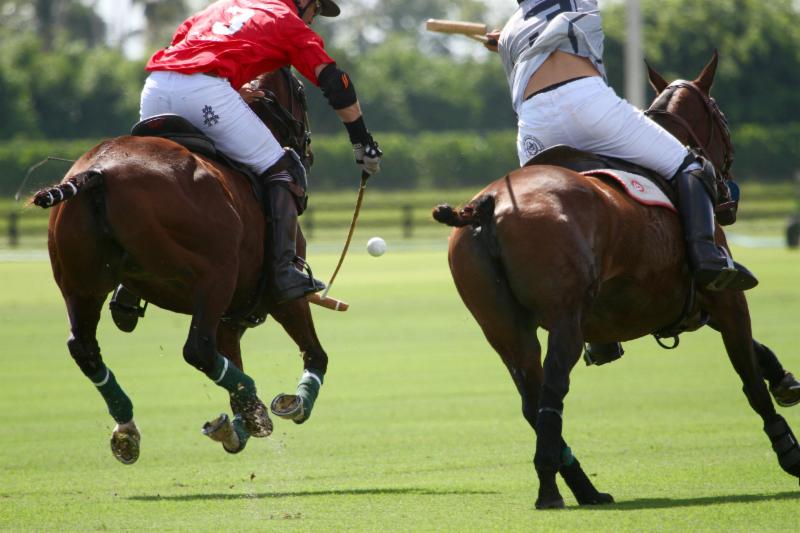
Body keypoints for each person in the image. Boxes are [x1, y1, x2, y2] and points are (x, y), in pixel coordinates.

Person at [482, 0, 800, 405]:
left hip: (535, 129)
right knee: (690, 165)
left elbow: (542, 34)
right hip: (588, 107)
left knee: (561, 212)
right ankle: (707, 259)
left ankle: (598, 333)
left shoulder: (514, 30)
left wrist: (508, 41)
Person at [110, 0, 382, 331]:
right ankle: (284, 272)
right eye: (315, 10)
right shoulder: (288, 21)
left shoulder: (222, 6)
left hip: (156, 88)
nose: (313, 20)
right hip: (204, 93)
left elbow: (184, 47)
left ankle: (130, 276)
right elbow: (335, 82)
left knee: (166, 176)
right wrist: (362, 141)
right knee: (284, 166)